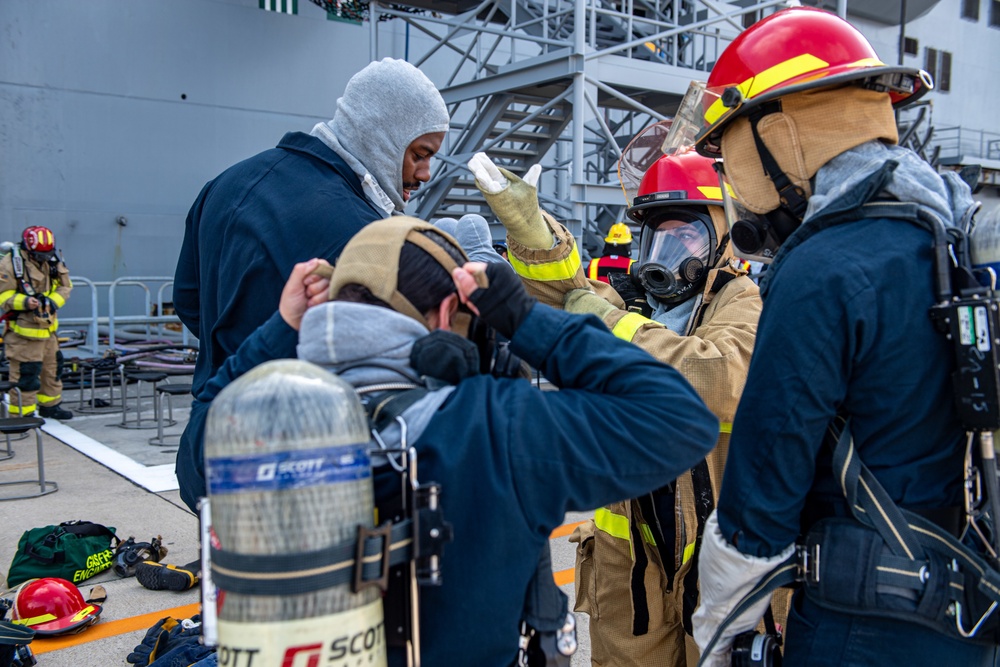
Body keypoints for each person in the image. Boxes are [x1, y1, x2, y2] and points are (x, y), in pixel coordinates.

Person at [197, 216, 720, 666]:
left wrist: (280, 329)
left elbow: (203, 429)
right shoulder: (492, 426)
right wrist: (526, 319)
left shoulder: (256, 420)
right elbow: (679, 418)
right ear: (449, 316)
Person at [671, 7, 999, 666]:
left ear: (781, 133)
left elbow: (758, 504)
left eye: (731, 153)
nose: (733, 183)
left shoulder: (822, 268)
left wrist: (717, 631)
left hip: (861, 630)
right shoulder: (948, 237)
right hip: (966, 614)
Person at [467, 150, 763, 665]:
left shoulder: (742, 303)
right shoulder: (647, 309)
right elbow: (570, 297)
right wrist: (534, 231)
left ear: (724, 237)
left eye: (685, 235)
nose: (667, 253)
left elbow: (716, 377)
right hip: (630, 571)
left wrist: (609, 324)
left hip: (714, 568)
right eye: (658, 237)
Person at [171, 57, 449, 511]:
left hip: (213, 446)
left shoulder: (222, 186)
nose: (424, 173)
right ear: (383, 135)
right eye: (419, 153)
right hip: (302, 477)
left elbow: (188, 299)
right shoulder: (362, 234)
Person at [0, 226, 73, 419]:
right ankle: (22, 414)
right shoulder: (9, 265)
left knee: (53, 370)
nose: (44, 259)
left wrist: (52, 302)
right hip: (24, 333)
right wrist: (25, 302)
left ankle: (51, 406)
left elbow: (65, 286)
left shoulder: (52, 260)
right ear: (27, 249)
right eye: (39, 256)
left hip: (48, 330)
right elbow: (2, 295)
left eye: (46, 255)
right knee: (26, 374)